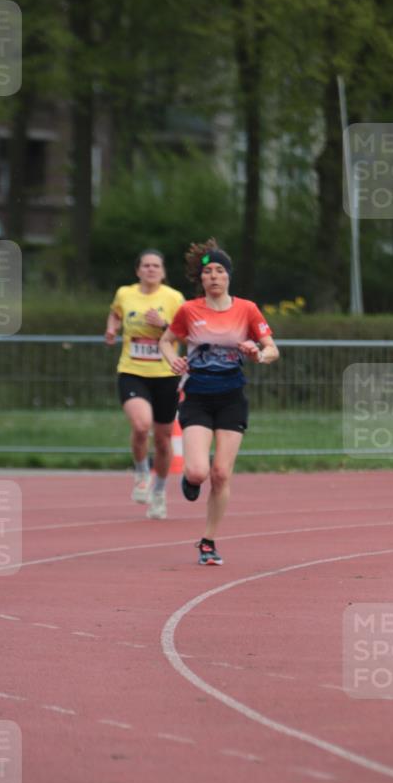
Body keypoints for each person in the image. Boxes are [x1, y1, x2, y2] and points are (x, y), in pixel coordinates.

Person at [159, 239, 279, 565]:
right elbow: (167, 341)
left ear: (228, 276)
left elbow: (272, 349)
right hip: (197, 395)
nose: (213, 276)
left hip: (231, 397)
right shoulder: (189, 310)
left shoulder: (247, 309)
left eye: (219, 270)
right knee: (198, 471)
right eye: (207, 271)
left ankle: (208, 541)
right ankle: (190, 479)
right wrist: (171, 358)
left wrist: (258, 353)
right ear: (201, 279)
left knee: (221, 473)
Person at [105, 250, 184, 519]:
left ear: (163, 272)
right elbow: (115, 314)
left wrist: (163, 324)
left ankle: (159, 493)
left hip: (165, 373)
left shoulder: (173, 298)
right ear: (138, 270)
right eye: (146, 266)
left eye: (156, 266)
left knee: (162, 439)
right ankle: (141, 473)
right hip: (132, 370)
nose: (151, 270)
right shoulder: (125, 293)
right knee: (141, 425)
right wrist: (112, 329)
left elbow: (185, 332)